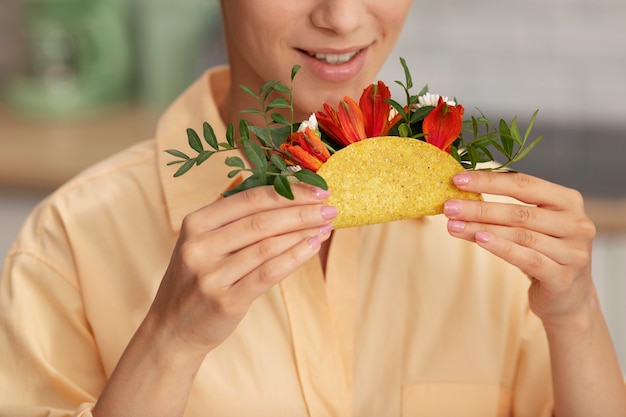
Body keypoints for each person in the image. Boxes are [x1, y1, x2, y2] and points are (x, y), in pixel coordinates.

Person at [1, 1, 625, 416]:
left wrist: (575, 317)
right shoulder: (69, 242)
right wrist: (169, 343)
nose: (343, 18)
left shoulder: (494, 224)